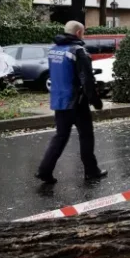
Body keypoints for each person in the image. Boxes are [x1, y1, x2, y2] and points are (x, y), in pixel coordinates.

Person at [35, 21, 107, 184]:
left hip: (59, 100)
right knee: (86, 136)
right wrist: (96, 101)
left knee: (60, 136)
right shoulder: (78, 51)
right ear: (79, 33)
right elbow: (86, 79)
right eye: (84, 32)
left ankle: (44, 170)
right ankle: (91, 171)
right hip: (77, 101)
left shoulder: (53, 50)